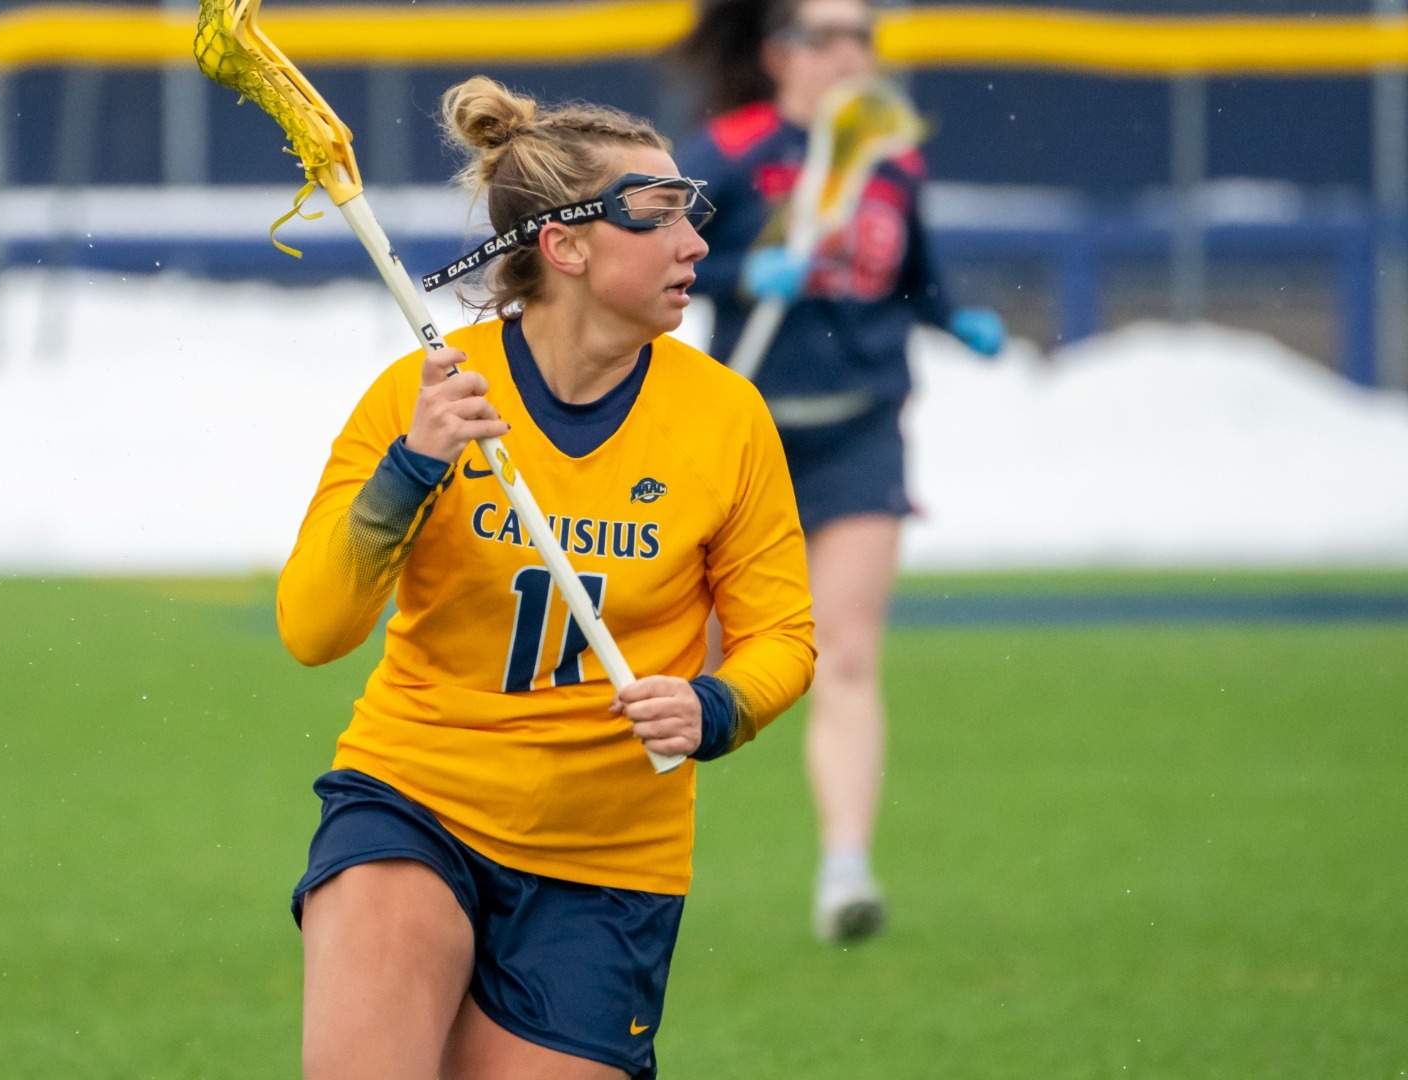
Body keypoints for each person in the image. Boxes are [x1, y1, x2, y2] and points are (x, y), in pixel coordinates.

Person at [276, 76, 816, 1080]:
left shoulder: (728, 418)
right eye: (658, 219)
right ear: (565, 246)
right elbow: (313, 628)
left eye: (691, 217)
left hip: (607, 864)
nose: (696, 244)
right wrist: (414, 466)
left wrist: (714, 706)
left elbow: (783, 637)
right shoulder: (425, 394)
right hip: (414, 799)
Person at [675, 0, 1005, 945]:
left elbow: (916, 279)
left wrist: (957, 320)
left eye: (862, 35)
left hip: (862, 428)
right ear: (782, 54)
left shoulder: (890, 159)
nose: (851, 53)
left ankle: (846, 871)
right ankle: (583, 844)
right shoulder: (731, 151)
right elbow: (662, 266)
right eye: (830, 36)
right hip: (749, 436)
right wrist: (744, 271)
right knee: (686, 659)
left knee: (843, 654)